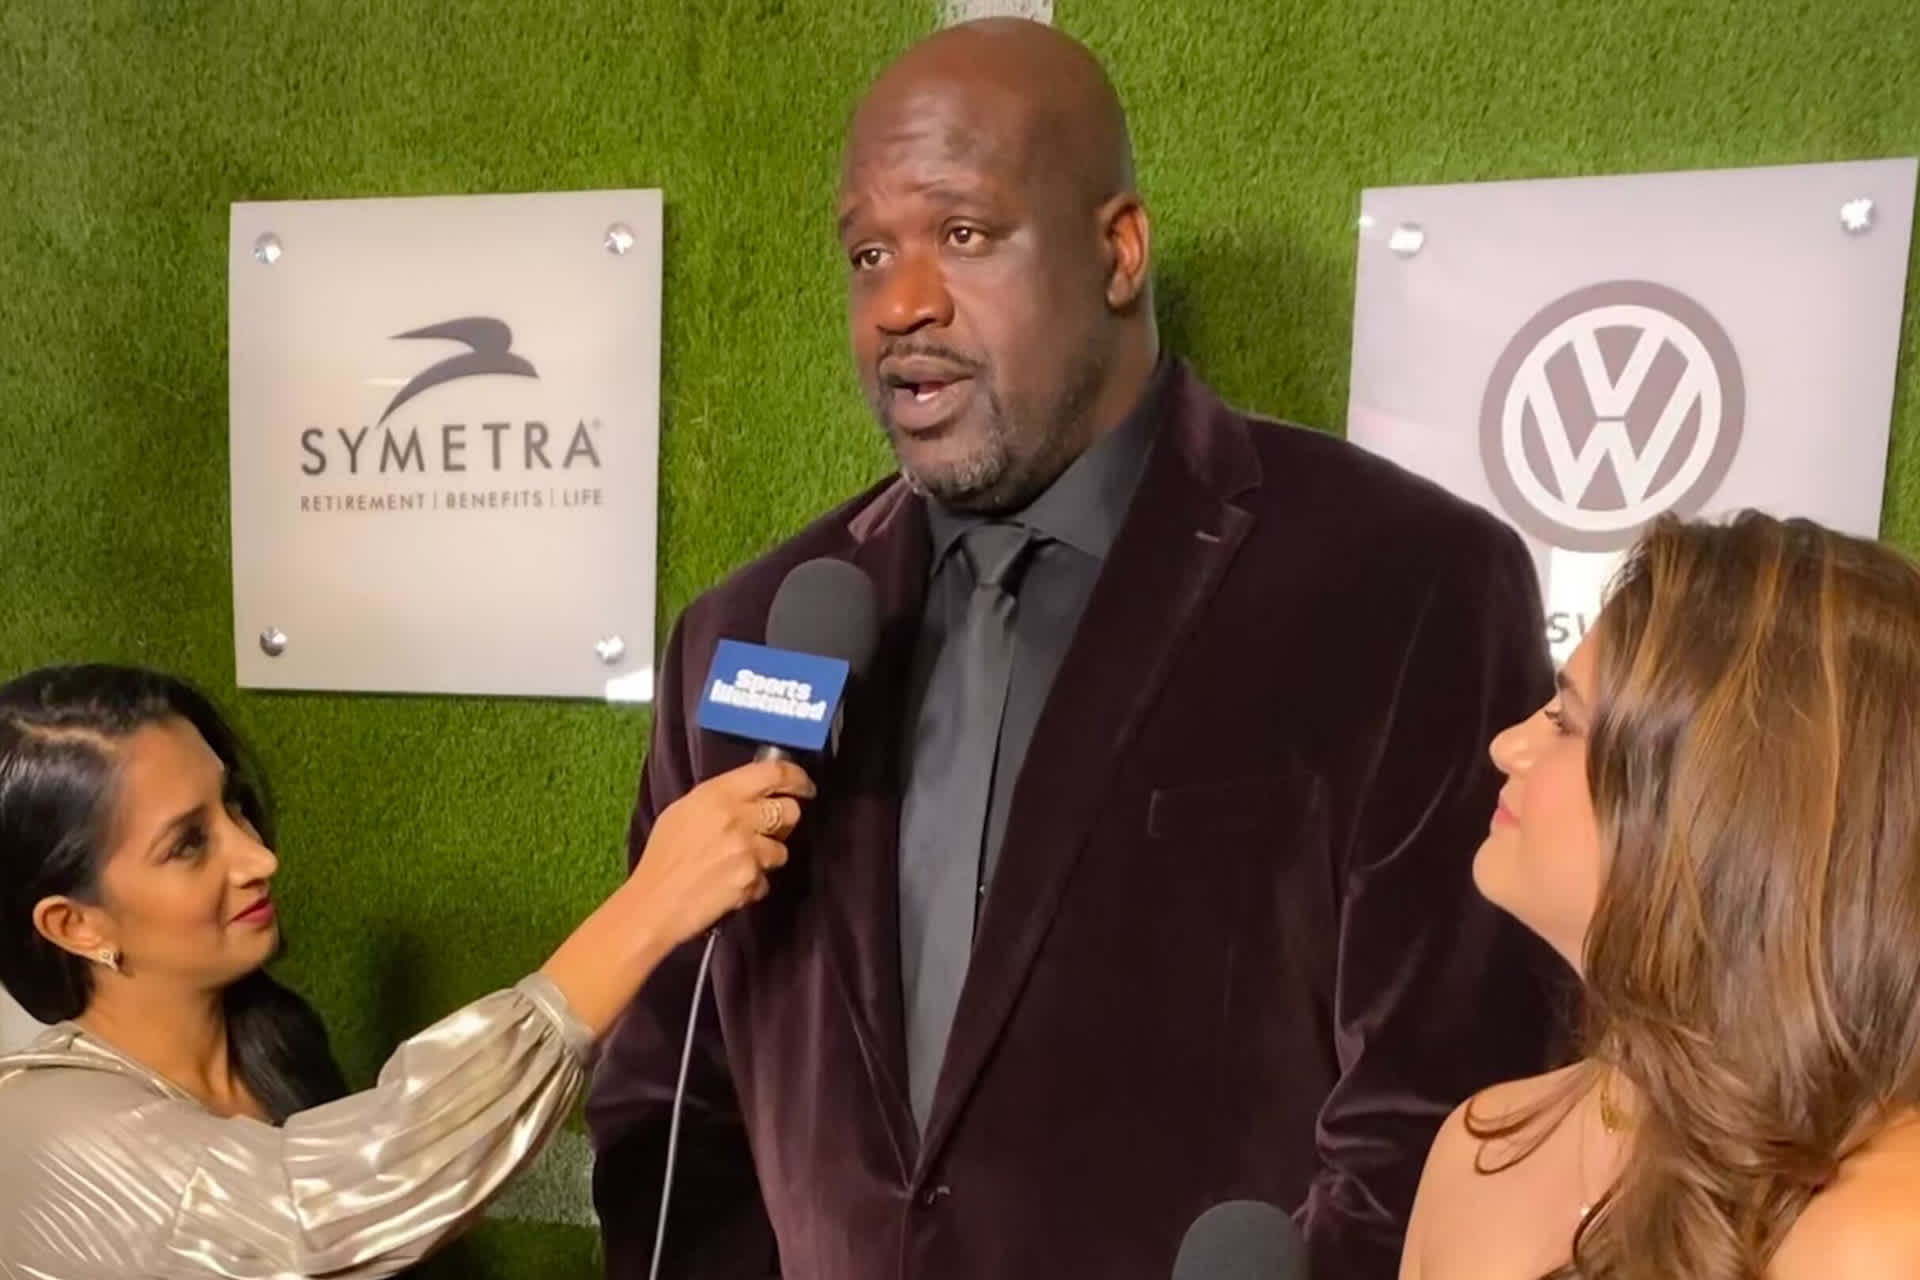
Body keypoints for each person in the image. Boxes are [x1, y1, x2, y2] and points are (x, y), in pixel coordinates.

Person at [585, 17, 1563, 1279]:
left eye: (966, 234)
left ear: (1120, 251)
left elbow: (1439, 1114)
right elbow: (670, 1089)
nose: (900, 303)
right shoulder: (748, 631)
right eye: (868, 252)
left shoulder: (1403, 585)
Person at [0, 662, 814, 1279]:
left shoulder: (270, 1042)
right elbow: (333, 1203)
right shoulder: (46, 1134)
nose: (259, 856)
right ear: (75, 925)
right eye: (188, 844)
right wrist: (648, 909)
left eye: (234, 806)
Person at [1400, 512, 1920, 1280]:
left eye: (1567, 722)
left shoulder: (1883, 1235)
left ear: (1723, 811)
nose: (1509, 745)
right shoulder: (1480, 1146)